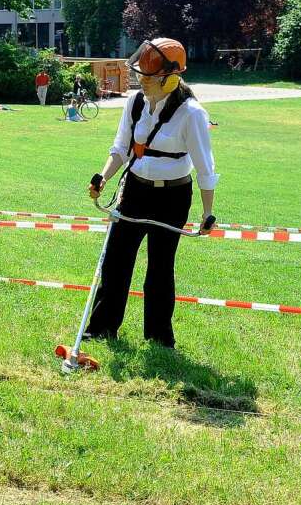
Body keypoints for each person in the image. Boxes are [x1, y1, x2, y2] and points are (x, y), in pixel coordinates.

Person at [85, 38, 217, 348]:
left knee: (160, 267)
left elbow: (205, 168)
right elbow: (120, 148)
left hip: (171, 198)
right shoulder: (135, 103)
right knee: (116, 260)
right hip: (134, 191)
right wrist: (103, 177)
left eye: (147, 76)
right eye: (140, 74)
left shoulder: (192, 114)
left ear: (170, 78)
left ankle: (158, 337)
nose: (140, 80)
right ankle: (102, 328)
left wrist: (208, 212)